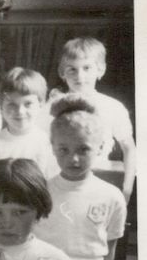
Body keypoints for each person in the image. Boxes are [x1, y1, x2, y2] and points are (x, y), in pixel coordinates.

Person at [34, 98, 127, 260]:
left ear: (100, 148)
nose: (73, 159)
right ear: (52, 147)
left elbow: (109, 251)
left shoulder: (111, 196)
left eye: (83, 149)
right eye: (63, 150)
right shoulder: (40, 191)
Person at [48, 36, 136, 201]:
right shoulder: (51, 106)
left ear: (100, 70)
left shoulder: (112, 107)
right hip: (57, 183)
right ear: (62, 72)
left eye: (87, 68)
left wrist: (127, 188)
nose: (79, 76)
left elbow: (129, 148)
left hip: (98, 180)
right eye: (72, 69)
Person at [0, 66, 58, 196]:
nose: (20, 111)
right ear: (1, 106)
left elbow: (53, 190)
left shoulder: (48, 145)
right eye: (12, 104)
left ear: (41, 104)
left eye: (28, 104)